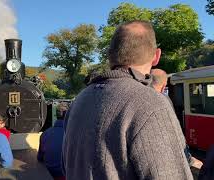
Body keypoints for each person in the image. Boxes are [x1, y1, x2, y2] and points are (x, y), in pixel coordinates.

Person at [62, 20, 193, 179]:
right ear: (156, 56)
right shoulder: (152, 104)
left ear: (111, 55)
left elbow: (66, 165)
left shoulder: (80, 99)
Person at [151, 68, 203, 169]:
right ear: (163, 87)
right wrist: (188, 158)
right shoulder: (163, 100)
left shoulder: (134, 98)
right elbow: (172, 131)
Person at [38, 102, 68, 180]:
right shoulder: (72, 135)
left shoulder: (45, 133)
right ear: (68, 115)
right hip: (64, 175)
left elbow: (40, 158)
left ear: (56, 115)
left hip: (48, 173)